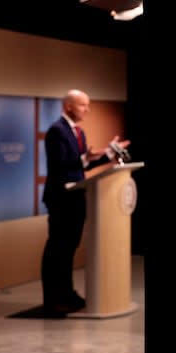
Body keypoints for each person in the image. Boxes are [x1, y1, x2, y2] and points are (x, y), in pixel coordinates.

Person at [41, 89, 130, 315]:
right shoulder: (56, 131)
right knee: (57, 249)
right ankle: (53, 299)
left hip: (75, 198)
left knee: (68, 249)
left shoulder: (77, 132)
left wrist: (108, 155)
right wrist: (85, 158)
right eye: (83, 106)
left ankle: (67, 293)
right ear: (69, 106)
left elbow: (80, 166)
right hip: (61, 199)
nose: (87, 110)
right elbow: (62, 165)